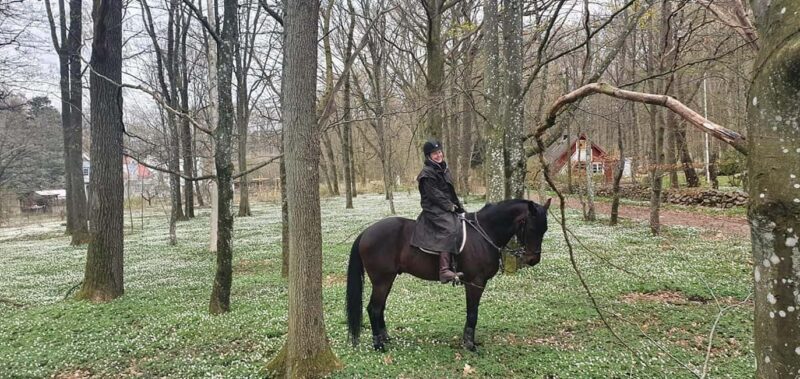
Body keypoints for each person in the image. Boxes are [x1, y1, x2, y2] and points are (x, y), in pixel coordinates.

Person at [410, 139, 465, 284]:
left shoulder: (444, 169)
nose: (438, 155)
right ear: (429, 156)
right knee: (450, 229)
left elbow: (450, 192)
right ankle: (444, 270)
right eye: (435, 153)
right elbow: (434, 195)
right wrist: (449, 206)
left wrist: (459, 207)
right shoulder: (427, 173)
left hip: (445, 206)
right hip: (433, 209)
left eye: (439, 152)